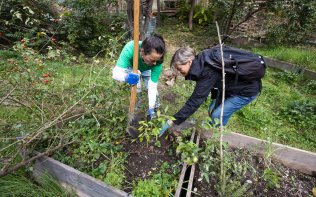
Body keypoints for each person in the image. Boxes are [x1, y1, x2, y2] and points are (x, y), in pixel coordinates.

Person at [159, 47, 262, 135]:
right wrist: (215, 98)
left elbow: (194, 102)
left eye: (179, 68)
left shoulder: (206, 71)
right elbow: (218, 79)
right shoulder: (202, 62)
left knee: (217, 115)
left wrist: (172, 121)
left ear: (189, 62)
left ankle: (213, 136)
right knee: (214, 111)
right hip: (231, 86)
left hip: (246, 91)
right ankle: (213, 126)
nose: (178, 71)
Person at [112, 34, 165, 119]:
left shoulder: (156, 62)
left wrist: (151, 107)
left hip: (148, 68)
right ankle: (137, 112)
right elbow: (115, 73)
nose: (155, 63)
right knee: (137, 90)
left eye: (157, 60)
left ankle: (155, 110)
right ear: (142, 51)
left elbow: (152, 86)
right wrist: (126, 77)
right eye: (152, 59)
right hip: (132, 67)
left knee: (154, 94)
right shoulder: (130, 48)